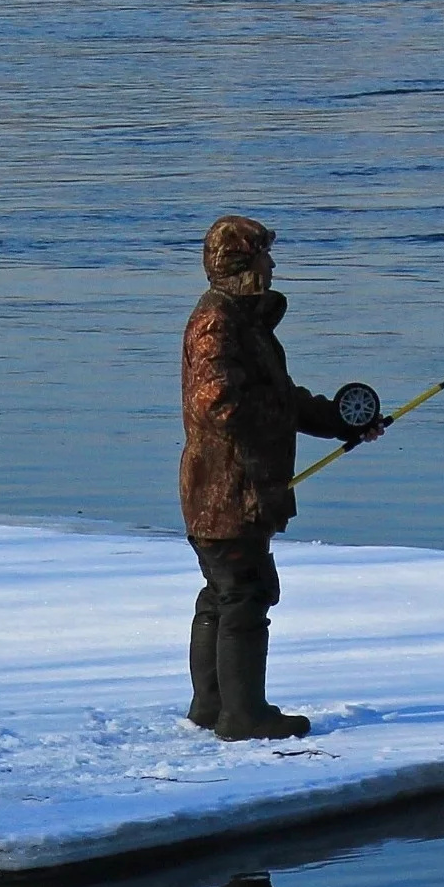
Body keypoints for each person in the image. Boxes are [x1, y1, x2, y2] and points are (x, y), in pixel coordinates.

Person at [180, 215, 385, 740]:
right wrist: (278, 420)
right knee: (244, 592)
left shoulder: (242, 323)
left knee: (225, 591)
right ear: (243, 265)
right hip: (229, 491)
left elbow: (282, 397)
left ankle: (214, 707)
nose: (273, 265)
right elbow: (219, 404)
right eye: (265, 256)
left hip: (229, 490)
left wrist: (341, 423)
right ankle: (242, 715)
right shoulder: (216, 324)